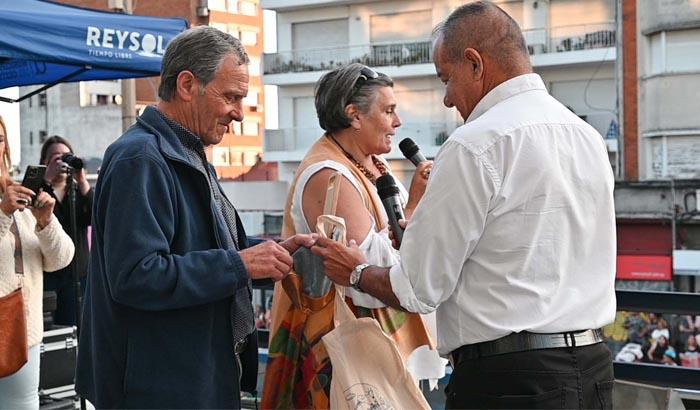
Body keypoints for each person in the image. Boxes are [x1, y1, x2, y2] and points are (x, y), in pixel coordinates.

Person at [311, 3, 617, 409]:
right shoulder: (586, 136)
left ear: (474, 64)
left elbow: (419, 288)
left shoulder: (476, 144)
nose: (447, 99)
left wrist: (356, 271)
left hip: (510, 380)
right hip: (594, 367)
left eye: (446, 78)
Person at [75, 26, 316, 409]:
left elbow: (199, 248)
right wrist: (240, 264)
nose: (238, 113)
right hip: (156, 390)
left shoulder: (185, 150)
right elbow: (137, 276)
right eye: (231, 97)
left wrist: (268, 253)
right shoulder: (141, 159)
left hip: (188, 380)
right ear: (187, 84)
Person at [261, 63, 444, 409]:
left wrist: (418, 204)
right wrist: (417, 210)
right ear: (354, 116)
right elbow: (374, 269)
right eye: (388, 111)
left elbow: (401, 246)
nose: (398, 122)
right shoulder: (327, 173)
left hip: (374, 345)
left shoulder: (372, 162)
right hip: (338, 352)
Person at [0, 116, 75, 409]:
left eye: (0, 138)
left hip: (23, 327)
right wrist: (3, 213)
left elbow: (61, 259)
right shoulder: (9, 203)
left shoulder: (17, 194)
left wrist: (46, 222)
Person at [39, 136, 93, 326]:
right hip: (48, 273)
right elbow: (27, 215)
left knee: (78, 327)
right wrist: (46, 179)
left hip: (78, 272)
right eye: (55, 157)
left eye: (65, 156)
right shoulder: (39, 190)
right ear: (45, 161)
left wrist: (82, 180)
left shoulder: (78, 193)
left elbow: (95, 216)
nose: (61, 161)